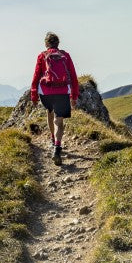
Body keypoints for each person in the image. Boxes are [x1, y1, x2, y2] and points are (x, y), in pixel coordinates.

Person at [30, 32, 79, 165]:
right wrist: (74, 96)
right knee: (59, 120)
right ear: (58, 43)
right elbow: (73, 77)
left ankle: (52, 139)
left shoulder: (42, 56)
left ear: (46, 44)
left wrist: (34, 95)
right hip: (62, 91)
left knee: (50, 112)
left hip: (45, 92)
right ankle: (57, 147)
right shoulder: (65, 56)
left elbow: (36, 76)